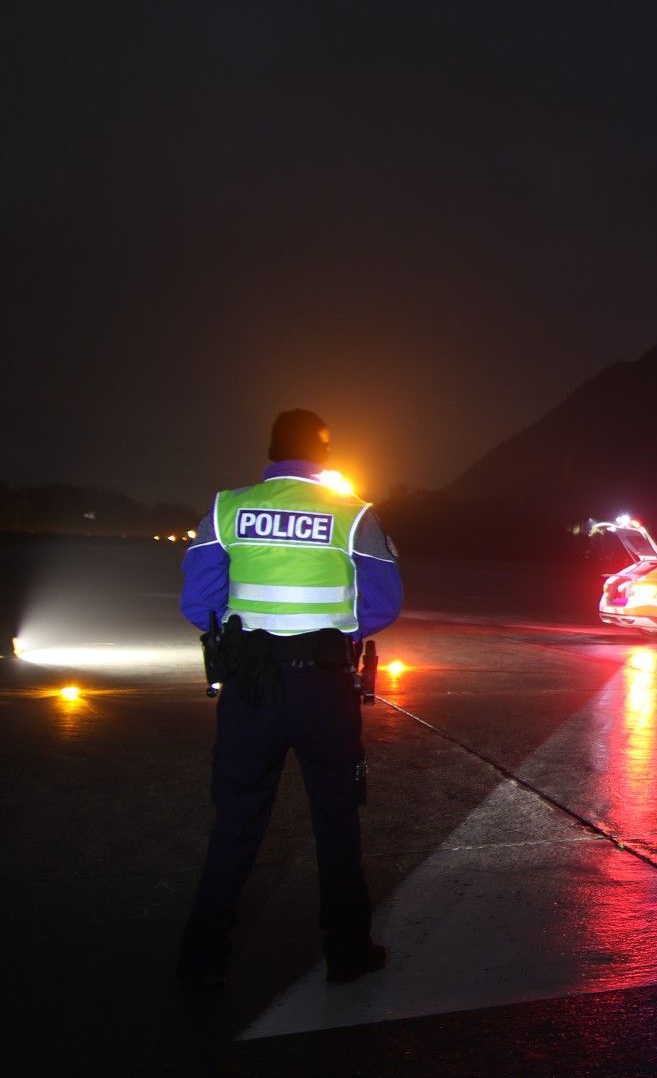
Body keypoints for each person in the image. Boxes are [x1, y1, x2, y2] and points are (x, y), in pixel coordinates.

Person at [175, 409, 403, 988]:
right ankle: (347, 950)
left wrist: (245, 630)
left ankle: (201, 961)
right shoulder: (354, 515)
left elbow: (196, 602)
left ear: (271, 450)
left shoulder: (227, 507)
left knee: (236, 820)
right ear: (324, 457)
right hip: (324, 685)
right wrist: (330, 629)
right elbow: (381, 606)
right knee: (336, 816)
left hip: (250, 685)